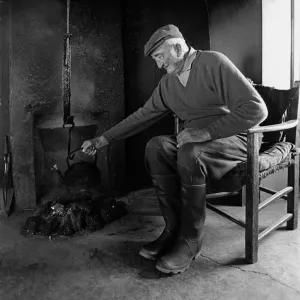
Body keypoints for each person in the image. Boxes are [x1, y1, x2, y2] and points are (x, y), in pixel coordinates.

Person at [81, 24, 268, 274]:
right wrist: (103, 139)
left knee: (190, 151)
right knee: (156, 147)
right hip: (199, 145)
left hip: (237, 140)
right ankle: (173, 231)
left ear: (177, 47)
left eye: (160, 57)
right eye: (156, 60)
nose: (159, 65)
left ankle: (191, 240)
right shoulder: (168, 83)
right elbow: (143, 115)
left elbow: (257, 109)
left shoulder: (214, 63)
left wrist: (205, 132)